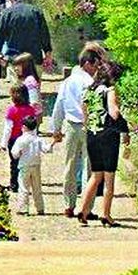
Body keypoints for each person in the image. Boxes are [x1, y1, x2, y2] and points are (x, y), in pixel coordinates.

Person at [52, 43, 107, 218]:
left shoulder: (68, 82)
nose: (97, 69)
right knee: (89, 168)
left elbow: (59, 105)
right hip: (89, 126)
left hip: (71, 125)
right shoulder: (91, 83)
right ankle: (86, 208)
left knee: (69, 165)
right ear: (87, 64)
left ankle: (68, 205)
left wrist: (56, 128)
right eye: (96, 65)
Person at [75, 61, 128, 227]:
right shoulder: (110, 90)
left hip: (92, 134)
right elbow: (114, 112)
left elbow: (84, 110)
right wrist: (124, 127)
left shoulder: (90, 90)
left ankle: (82, 211)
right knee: (109, 177)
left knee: (96, 175)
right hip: (108, 136)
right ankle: (106, 215)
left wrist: (89, 125)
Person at [0, 0, 53, 78]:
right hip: (34, 57)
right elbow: (44, 33)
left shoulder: (7, 13)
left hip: (15, 58)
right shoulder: (36, 11)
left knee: (17, 89)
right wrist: (47, 51)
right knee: (34, 87)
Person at [11, 117, 61, 216]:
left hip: (24, 165)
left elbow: (15, 154)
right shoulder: (38, 139)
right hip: (36, 165)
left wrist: (19, 153)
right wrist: (53, 142)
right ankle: (40, 208)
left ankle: (23, 208)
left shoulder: (21, 140)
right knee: (37, 187)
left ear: (24, 127)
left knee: (23, 187)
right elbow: (46, 149)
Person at [2, 82, 39, 197]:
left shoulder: (12, 110)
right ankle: (25, 183)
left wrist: (3, 143)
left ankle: (15, 184)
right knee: (26, 162)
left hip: (14, 139)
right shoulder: (31, 110)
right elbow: (34, 126)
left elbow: (8, 128)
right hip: (28, 139)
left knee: (14, 162)